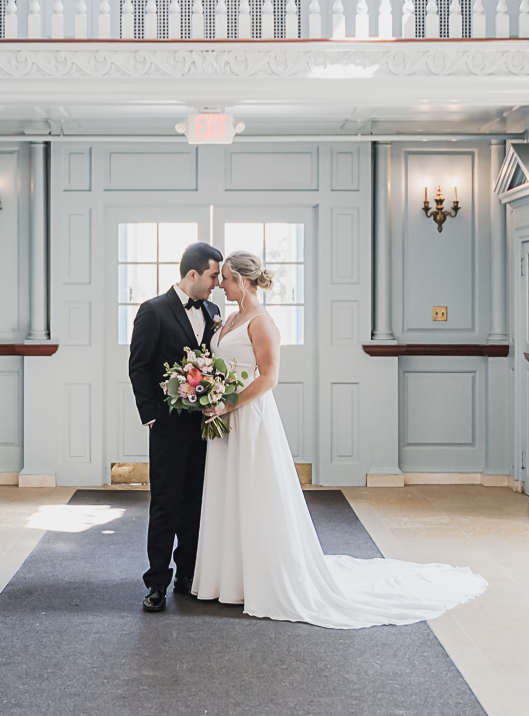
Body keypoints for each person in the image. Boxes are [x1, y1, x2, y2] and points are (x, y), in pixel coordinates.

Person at [192, 250, 488, 628]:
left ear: (245, 281)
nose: (221, 285)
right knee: (227, 493)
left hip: (249, 417)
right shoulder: (228, 318)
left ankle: (261, 578)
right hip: (224, 419)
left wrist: (228, 402)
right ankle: (228, 578)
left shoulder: (262, 323)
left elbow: (268, 379)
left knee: (253, 493)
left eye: (228, 279)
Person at [128, 240, 222, 613]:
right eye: (213, 276)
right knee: (165, 504)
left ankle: (187, 574)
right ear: (193, 273)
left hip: (205, 426)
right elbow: (138, 366)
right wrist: (151, 416)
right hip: (167, 426)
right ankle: (156, 583)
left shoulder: (213, 310)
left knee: (196, 502)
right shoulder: (153, 311)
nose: (217, 283)